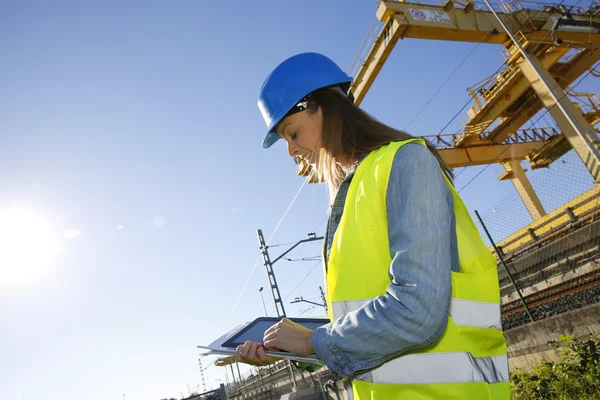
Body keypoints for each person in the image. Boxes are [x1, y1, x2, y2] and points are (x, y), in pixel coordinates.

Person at [236, 52, 510, 399]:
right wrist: (292, 347)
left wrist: (312, 341)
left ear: (320, 105)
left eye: (292, 133)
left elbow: (418, 309)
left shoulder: (406, 161)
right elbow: (363, 326)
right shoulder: (348, 196)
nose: (291, 150)